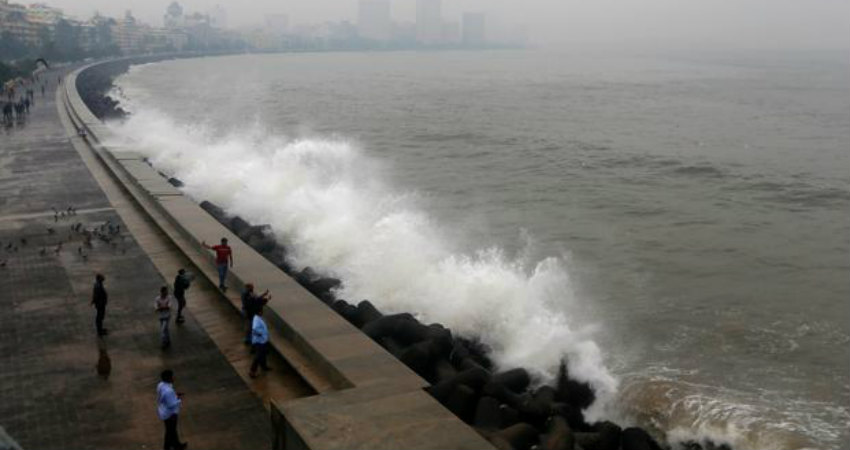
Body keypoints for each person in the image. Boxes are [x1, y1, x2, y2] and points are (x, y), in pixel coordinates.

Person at [157, 370, 187, 450]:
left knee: (172, 430)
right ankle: (167, 447)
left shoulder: (161, 385)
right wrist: (178, 399)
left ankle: (177, 445)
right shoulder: (168, 391)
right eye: (172, 376)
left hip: (163, 411)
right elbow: (172, 404)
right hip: (170, 414)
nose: (174, 377)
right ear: (168, 378)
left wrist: (174, 395)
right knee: (170, 431)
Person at [249, 308, 271, 378]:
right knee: (258, 356)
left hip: (263, 340)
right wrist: (260, 334)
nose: (262, 313)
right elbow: (255, 329)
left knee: (263, 354)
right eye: (261, 311)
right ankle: (252, 371)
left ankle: (264, 366)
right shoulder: (257, 320)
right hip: (260, 341)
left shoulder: (258, 318)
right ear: (259, 312)